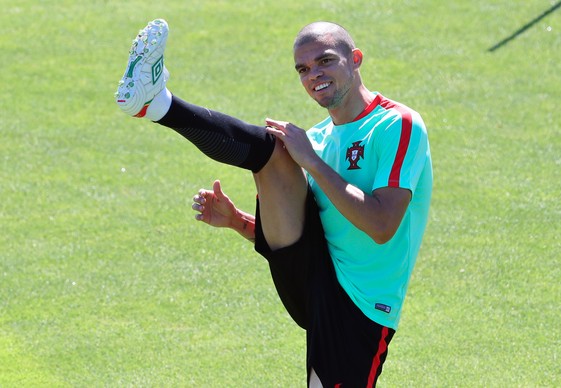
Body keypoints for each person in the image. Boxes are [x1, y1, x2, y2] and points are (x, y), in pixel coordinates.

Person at [115, 18, 432, 387]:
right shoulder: (314, 139)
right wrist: (239, 222)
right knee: (272, 152)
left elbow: (382, 226)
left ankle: (156, 103)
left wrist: (311, 161)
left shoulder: (397, 124)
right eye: (303, 69)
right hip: (312, 278)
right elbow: (301, 230)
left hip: (361, 304)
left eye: (325, 61)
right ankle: (157, 104)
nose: (314, 74)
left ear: (356, 59)